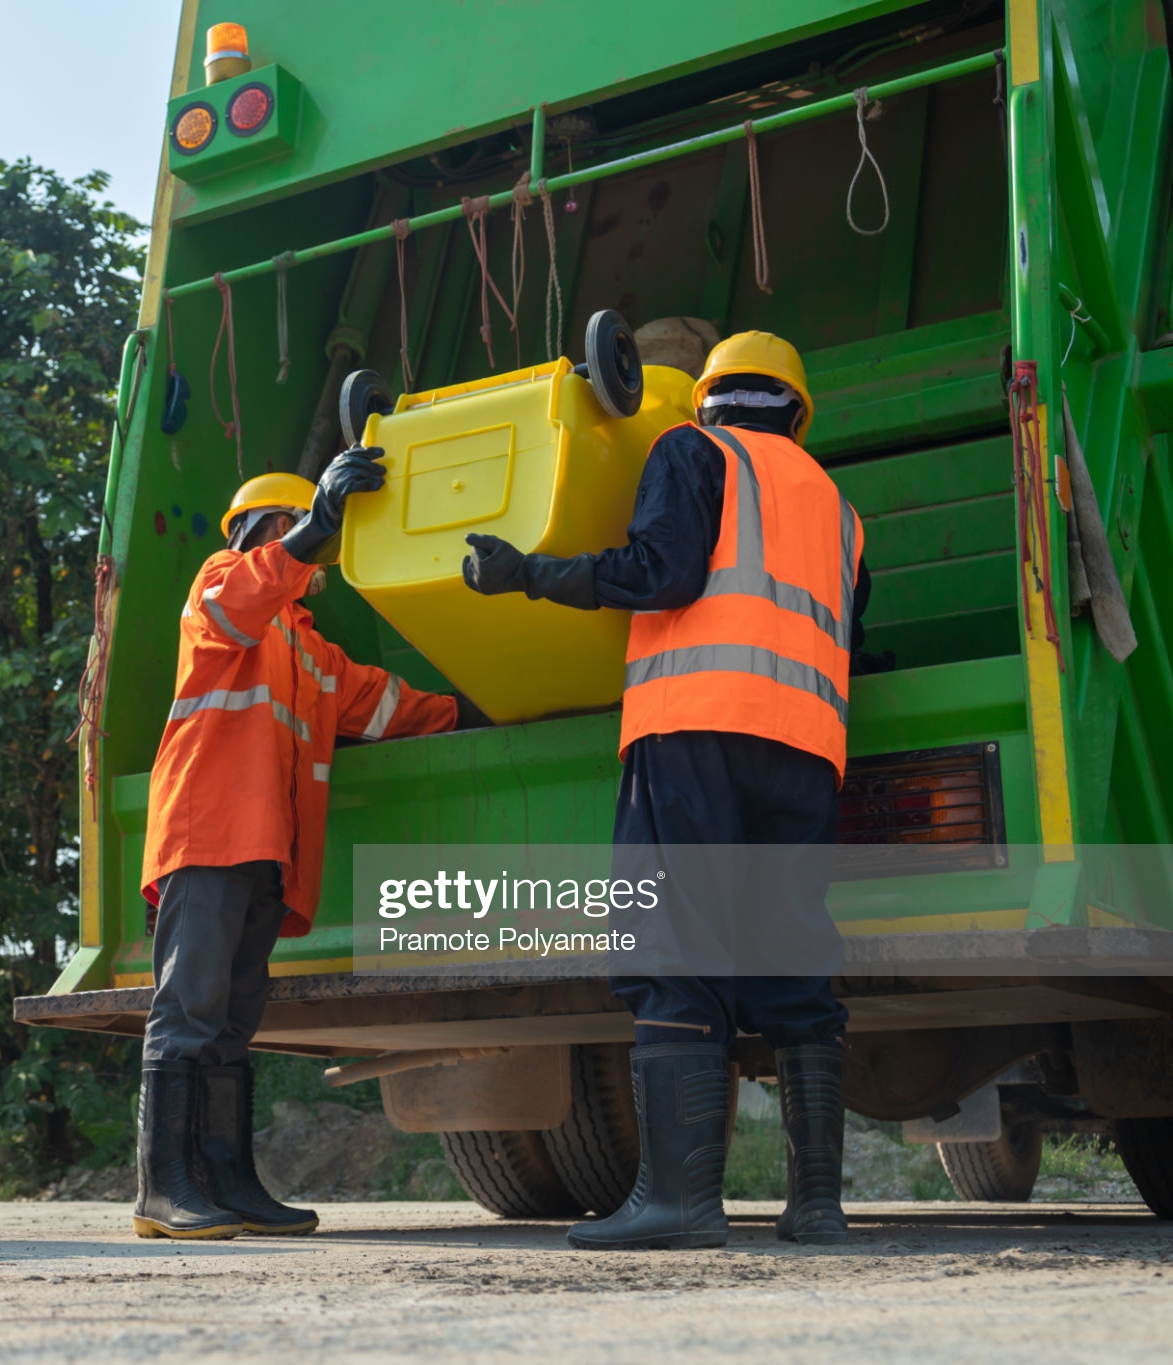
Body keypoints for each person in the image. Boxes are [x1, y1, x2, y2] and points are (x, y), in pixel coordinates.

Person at [460, 331, 889, 1251]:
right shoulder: (841, 510)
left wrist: (526, 573)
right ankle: (817, 1205)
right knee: (794, 961)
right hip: (806, 749)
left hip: (695, 728)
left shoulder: (696, 451)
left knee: (674, 948)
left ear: (711, 398)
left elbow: (662, 573)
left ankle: (681, 1202)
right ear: (795, 407)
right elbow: (846, 631)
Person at [133, 449, 482, 1240]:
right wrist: (318, 524)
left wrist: (477, 708)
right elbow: (241, 600)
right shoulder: (221, 585)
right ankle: (162, 1190)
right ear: (266, 530)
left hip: (263, 851)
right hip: (208, 833)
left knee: (231, 1018)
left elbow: (391, 705)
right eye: (298, 526)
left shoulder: (310, 652)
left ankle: (225, 1180)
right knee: (187, 1008)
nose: (311, 547)